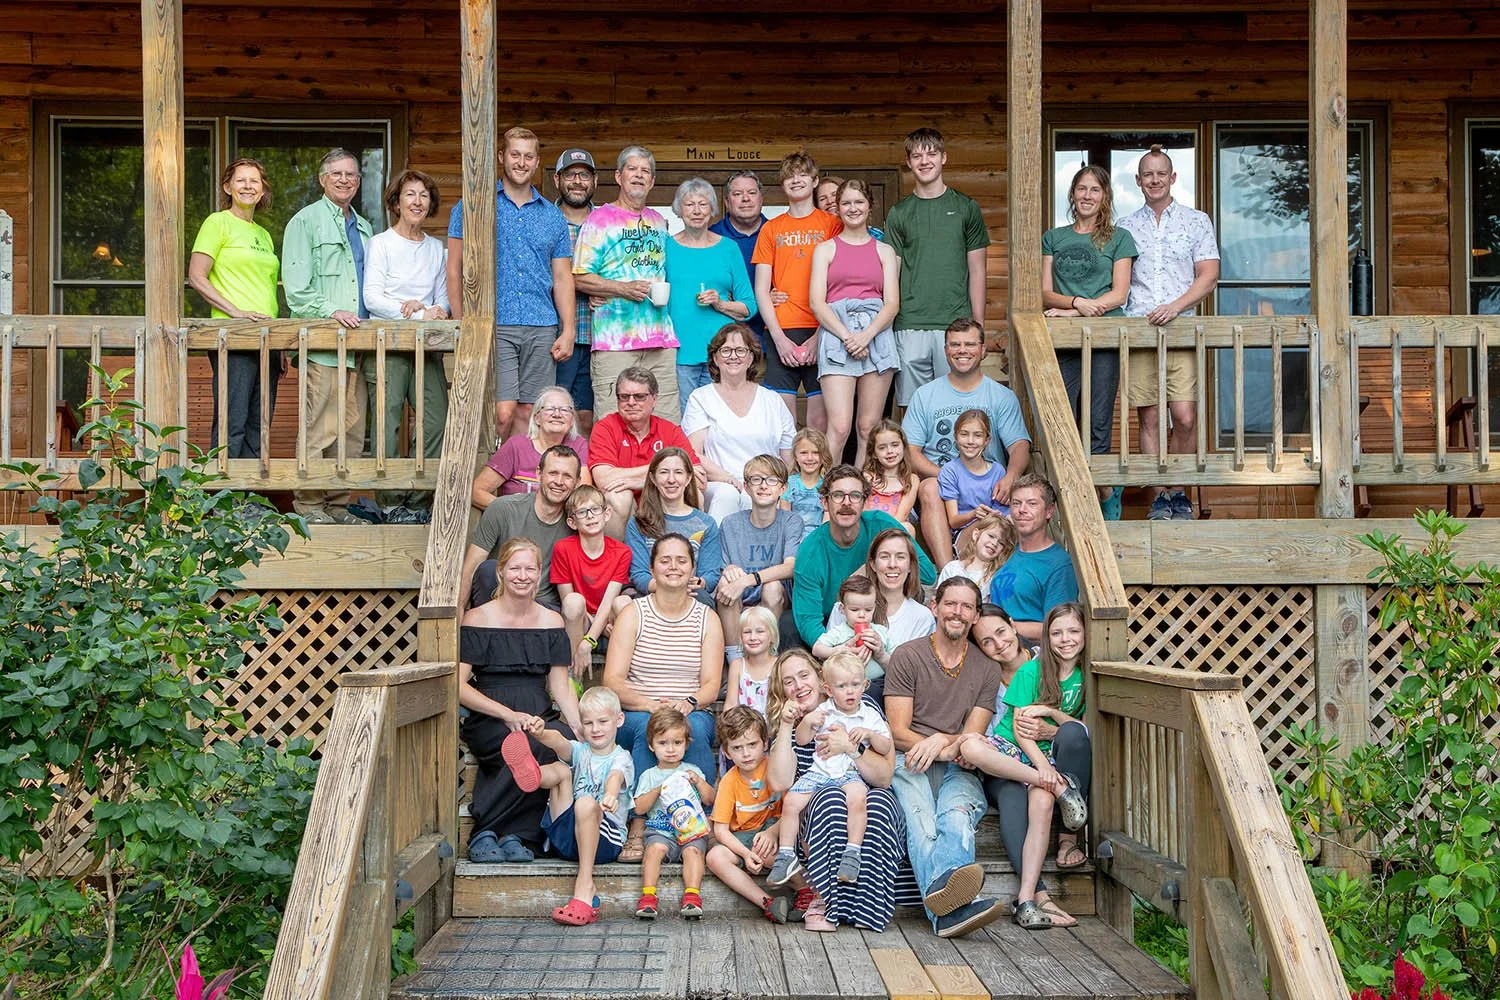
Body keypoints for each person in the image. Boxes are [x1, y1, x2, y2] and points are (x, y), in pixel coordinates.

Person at [883, 577, 1005, 938]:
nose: (958, 612)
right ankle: (953, 912)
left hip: (958, 764)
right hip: (910, 762)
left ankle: (947, 915)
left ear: (975, 615)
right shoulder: (908, 656)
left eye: (967, 606)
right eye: (951, 604)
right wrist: (937, 742)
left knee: (956, 818)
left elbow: (973, 734)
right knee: (922, 822)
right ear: (935, 607)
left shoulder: (987, 668)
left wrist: (942, 742)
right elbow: (897, 730)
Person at [958, 602, 1091, 929]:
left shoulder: (1055, 668)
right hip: (1013, 761)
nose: (998, 644)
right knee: (971, 746)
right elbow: (1016, 726)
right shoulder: (995, 674)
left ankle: (1028, 897)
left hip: (1042, 758)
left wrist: (1052, 729)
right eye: (986, 641)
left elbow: (1081, 728)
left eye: (1001, 632)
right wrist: (1045, 772)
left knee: (1041, 801)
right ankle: (1059, 786)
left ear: (1014, 626)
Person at [458, 537, 582, 863]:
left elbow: (559, 684)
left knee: (556, 742)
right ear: (500, 572)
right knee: (519, 743)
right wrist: (506, 713)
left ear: (540, 573)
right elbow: (457, 686)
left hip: (538, 710)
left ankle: (519, 836)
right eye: (515, 568)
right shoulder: (477, 618)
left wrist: (578, 725)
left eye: (530, 568)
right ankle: (485, 830)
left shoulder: (552, 621)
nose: (522, 575)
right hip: (490, 713)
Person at [603, 532, 726, 862]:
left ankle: (701, 821)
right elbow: (612, 680)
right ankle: (640, 824)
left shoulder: (707, 618)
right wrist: (651, 704)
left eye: (681, 560)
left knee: (695, 730)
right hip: (638, 709)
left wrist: (687, 703)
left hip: (689, 707)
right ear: (653, 569)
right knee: (652, 728)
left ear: (692, 569)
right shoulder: (634, 613)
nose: (673, 567)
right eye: (665, 560)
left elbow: (712, 685)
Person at [446, 127, 575, 440]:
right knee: (501, 413)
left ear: (536, 162)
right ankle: (493, 476)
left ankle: (515, 487)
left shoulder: (552, 216)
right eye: (515, 154)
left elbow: (561, 276)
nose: (521, 162)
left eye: (528, 156)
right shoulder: (472, 207)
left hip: (541, 324)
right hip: (495, 324)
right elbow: (454, 267)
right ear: (502, 157)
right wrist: (462, 323)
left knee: (530, 414)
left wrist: (568, 329)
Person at [1118, 145, 1221, 521]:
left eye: (1161, 173)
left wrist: (1176, 306)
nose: (1155, 180)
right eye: (1148, 174)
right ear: (1139, 181)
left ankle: (1179, 489)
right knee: (1149, 419)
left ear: (1173, 178)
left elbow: (1208, 274)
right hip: (1140, 330)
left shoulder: (1197, 221)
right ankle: (1160, 497)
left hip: (1181, 331)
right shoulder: (1125, 227)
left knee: (1185, 416)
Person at [767, 650, 903, 931]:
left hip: (860, 782)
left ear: (820, 678)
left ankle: (868, 906)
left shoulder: (861, 706)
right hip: (816, 801)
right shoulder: (798, 722)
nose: (798, 685)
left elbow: (885, 776)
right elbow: (780, 784)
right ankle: (826, 899)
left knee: (878, 803)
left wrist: (851, 748)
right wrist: (786, 725)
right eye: (788, 681)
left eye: (803, 675)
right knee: (829, 799)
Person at [281, 148, 372, 525]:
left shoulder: (365, 228)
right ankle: (310, 507)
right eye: (336, 174)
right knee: (319, 431)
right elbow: (297, 290)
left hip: (359, 348)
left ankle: (337, 505)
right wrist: (330, 311)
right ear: (322, 179)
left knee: (351, 433)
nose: (344, 180)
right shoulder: (305, 222)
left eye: (351, 174)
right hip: (323, 346)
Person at [1043, 163, 1138, 519]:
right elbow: (1044, 292)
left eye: (1094, 190)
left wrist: (1076, 312)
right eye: (1081, 189)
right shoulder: (1054, 237)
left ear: (1104, 197)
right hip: (1064, 340)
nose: (1087, 196)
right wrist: (1073, 303)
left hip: (1103, 336)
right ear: (1072, 194)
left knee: (1098, 418)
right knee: (1063, 415)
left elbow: (1119, 294)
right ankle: (1070, 495)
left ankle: (1104, 493)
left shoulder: (1118, 238)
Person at [361, 167, 451, 517]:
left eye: (424, 195)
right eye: (410, 194)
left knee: (435, 420)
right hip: (387, 344)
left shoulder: (436, 248)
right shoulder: (380, 243)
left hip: (426, 348)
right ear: (396, 202)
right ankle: (390, 502)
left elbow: (442, 302)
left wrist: (429, 310)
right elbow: (372, 299)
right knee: (387, 421)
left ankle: (418, 500)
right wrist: (412, 312)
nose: (417, 201)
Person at [904, 319, 1031, 566]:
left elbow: (1019, 445)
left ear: (983, 350)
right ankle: (947, 572)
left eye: (970, 344)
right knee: (929, 486)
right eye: (955, 344)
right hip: (940, 490)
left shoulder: (1001, 397)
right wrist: (949, 475)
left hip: (989, 490)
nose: (962, 350)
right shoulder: (925, 395)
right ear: (946, 350)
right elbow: (910, 451)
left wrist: (1011, 476)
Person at [504, 685, 632, 926]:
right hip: (568, 838)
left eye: (602, 721)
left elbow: (615, 776)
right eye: (589, 723)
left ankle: (585, 885)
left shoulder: (621, 757)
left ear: (619, 720)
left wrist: (611, 794)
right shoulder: (581, 751)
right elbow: (560, 742)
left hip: (606, 841)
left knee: (584, 803)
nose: (595, 729)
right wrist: (540, 734)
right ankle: (532, 775)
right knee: (563, 770)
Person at [882, 128, 991, 407]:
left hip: (955, 324)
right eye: (917, 155)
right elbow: (890, 274)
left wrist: (978, 326)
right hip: (909, 324)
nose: (924, 161)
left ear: (944, 157)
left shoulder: (966, 208)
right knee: (913, 407)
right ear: (909, 162)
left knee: (959, 407)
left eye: (931, 154)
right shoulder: (899, 213)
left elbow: (977, 269)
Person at [573, 146, 678, 420]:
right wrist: (620, 289)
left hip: (660, 340)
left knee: (665, 420)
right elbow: (579, 276)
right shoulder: (599, 220)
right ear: (619, 176)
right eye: (632, 169)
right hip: (614, 341)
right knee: (612, 422)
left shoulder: (660, 223)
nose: (639, 176)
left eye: (645, 171)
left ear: (652, 181)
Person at [187, 157, 281, 460]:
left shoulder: (263, 235)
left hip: (267, 339)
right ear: (228, 186)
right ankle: (225, 500)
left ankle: (249, 500)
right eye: (241, 180)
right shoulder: (217, 222)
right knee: (233, 420)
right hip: (234, 338)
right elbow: (196, 276)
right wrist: (235, 311)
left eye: (255, 181)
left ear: (263, 189)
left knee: (259, 423)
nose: (248, 186)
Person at [791, 465, 937, 649]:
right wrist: (836, 650)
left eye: (855, 496)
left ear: (865, 501)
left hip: (885, 615)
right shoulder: (811, 550)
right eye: (837, 495)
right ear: (824, 502)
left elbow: (927, 573)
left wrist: (870, 567)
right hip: (836, 624)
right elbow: (808, 620)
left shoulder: (881, 524)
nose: (846, 503)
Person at [810, 179, 900, 467]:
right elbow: (817, 302)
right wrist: (848, 336)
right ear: (838, 208)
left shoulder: (884, 250)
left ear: (869, 206)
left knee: (868, 427)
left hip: (877, 335)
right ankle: (825, 493)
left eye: (859, 202)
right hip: (838, 335)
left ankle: (859, 491)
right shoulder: (825, 249)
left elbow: (892, 303)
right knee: (839, 427)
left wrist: (867, 335)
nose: (852, 208)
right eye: (846, 203)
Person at [752, 151, 841, 430]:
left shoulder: (832, 225)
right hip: (782, 329)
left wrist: (819, 336)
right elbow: (761, 289)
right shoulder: (771, 229)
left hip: (822, 329)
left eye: (802, 174)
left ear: (815, 181)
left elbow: (838, 286)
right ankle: (787, 475)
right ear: (782, 185)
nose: (796, 180)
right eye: (789, 176)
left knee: (819, 422)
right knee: (783, 422)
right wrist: (778, 339)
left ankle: (821, 475)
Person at [682, 324, 794, 522]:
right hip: (720, 482)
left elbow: (789, 456)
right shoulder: (701, 397)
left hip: (766, 481)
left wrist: (775, 486)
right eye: (725, 350)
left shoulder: (772, 399)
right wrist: (728, 479)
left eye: (741, 350)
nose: (733, 356)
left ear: (751, 358)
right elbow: (693, 453)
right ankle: (714, 551)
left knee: (763, 495)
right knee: (729, 495)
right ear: (715, 358)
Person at [665, 179, 756, 406]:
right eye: (689, 205)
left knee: (720, 421)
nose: (696, 211)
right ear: (679, 209)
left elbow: (749, 306)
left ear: (712, 209)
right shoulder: (666, 247)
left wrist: (721, 303)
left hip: (721, 355)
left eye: (703, 205)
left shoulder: (728, 248)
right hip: (677, 353)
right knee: (684, 423)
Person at [458, 444, 582, 612]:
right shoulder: (503, 509)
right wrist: (457, 623)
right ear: (539, 473)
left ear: (577, 482)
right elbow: (471, 569)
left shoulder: (578, 523)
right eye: (553, 473)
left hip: (544, 608)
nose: (559, 482)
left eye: (567, 476)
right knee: (487, 570)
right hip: (499, 601)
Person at [587, 368, 701, 538]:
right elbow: (605, 480)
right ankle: (620, 562)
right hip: (626, 508)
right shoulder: (605, 428)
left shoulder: (670, 430)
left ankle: (683, 559)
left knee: (696, 493)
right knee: (618, 495)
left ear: (654, 399)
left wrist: (642, 481)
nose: (631, 402)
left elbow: (697, 477)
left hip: (662, 502)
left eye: (639, 397)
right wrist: (661, 472)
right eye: (624, 397)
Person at [825, 529, 936, 697]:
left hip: (894, 696)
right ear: (873, 565)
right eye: (884, 556)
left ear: (910, 566)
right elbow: (826, 660)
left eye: (900, 557)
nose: (892, 564)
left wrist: (882, 655)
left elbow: (917, 677)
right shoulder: (843, 608)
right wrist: (843, 651)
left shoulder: (922, 617)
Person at [632, 706, 717, 919]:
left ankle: (692, 896)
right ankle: (648, 897)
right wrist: (658, 790)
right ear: (651, 746)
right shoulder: (649, 775)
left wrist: (698, 782)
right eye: (663, 743)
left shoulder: (692, 771)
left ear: (686, 743)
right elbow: (640, 808)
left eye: (677, 743)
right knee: (653, 851)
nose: (671, 749)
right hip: (660, 831)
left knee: (694, 852)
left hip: (690, 831)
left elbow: (710, 799)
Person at [706, 706, 789, 923]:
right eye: (737, 747)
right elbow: (721, 830)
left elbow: (793, 809)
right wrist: (744, 853)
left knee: (766, 850)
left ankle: (807, 891)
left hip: (778, 832)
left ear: (765, 742)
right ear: (726, 752)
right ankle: (768, 902)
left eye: (752, 744)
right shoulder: (729, 781)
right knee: (715, 857)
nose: (746, 753)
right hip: (744, 838)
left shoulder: (775, 768)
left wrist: (772, 832)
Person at [716, 454, 801, 665]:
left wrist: (748, 579)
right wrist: (730, 571)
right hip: (738, 597)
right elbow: (723, 567)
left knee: (771, 587)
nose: (764, 486)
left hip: (774, 597)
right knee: (727, 581)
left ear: (782, 489)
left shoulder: (791, 521)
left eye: (771, 480)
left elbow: (791, 567)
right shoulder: (730, 524)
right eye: (756, 479)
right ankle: (735, 661)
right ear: (746, 487)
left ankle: (766, 658)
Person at [550, 485, 632, 677]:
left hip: (607, 614)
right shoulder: (563, 548)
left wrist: (589, 641)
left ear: (607, 513)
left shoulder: (622, 552)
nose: (590, 516)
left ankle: (621, 676)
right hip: (581, 617)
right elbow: (567, 600)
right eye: (582, 512)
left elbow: (608, 602)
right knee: (573, 601)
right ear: (572, 522)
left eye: (595, 509)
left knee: (624, 603)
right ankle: (571, 675)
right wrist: (593, 632)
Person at [624, 448, 721, 606]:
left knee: (702, 599)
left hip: (691, 595)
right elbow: (639, 575)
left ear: (689, 478)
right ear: (653, 478)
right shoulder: (638, 523)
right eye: (663, 472)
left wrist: (699, 582)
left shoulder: (706, 524)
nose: (671, 479)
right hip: (652, 595)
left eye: (678, 472)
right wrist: (671, 587)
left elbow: (710, 575)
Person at [988, 474, 1078, 644]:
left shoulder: (1059, 564)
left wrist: (1000, 627)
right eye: (1016, 503)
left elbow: (1058, 626)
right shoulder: (1004, 550)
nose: (1022, 510)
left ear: (1049, 511)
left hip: (1029, 653)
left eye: (1032, 503)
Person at [471, 385, 590, 508]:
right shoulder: (516, 446)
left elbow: (583, 496)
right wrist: (510, 513)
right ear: (537, 418)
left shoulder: (578, 445)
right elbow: (477, 491)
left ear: (571, 421)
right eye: (550, 409)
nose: (557, 414)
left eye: (564, 410)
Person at [552, 148, 600, 433]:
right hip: (557, 336)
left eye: (584, 175)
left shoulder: (607, 221)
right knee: (553, 413)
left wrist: (606, 287)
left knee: (589, 418)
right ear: (558, 179)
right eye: (570, 174)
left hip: (600, 335)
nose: (578, 181)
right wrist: (586, 283)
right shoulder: (546, 219)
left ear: (594, 180)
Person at [939, 409, 1007, 532]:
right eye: (964, 434)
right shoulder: (950, 470)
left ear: (987, 440)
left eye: (978, 435)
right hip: (964, 532)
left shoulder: (998, 471)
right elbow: (953, 521)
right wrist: (974, 514)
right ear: (956, 437)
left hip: (995, 531)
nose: (970, 441)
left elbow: (1003, 513)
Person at [812, 575, 891, 676]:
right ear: (842, 609)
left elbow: (898, 662)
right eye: (854, 610)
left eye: (868, 609)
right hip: (848, 683)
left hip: (881, 682)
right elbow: (816, 649)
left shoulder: (881, 632)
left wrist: (881, 653)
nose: (862, 615)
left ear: (874, 607)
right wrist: (837, 650)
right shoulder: (839, 632)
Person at [938, 513, 1015, 596]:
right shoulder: (952, 568)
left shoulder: (996, 577)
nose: (994, 543)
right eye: (991, 536)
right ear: (976, 534)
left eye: (1001, 543)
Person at [862, 420, 919, 530]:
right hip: (870, 528)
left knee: (908, 527)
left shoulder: (911, 479)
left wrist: (885, 533)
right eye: (882, 447)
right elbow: (865, 512)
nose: (889, 451)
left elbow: (902, 515)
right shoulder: (867, 477)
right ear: (873, 453)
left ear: (903, 446)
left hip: (895, 530)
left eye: (895, 445)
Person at [726, 606, 779, 717]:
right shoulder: (738, 665)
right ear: (740, 637)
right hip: (745, 731)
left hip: (776, 730)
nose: (753, 637)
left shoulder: (779, 665)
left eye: (760, 631)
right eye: (747, 632)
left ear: (772, 636)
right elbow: (731, 704)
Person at [783, 427, 832, 542]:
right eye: (804, 453)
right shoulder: (789, 484)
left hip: (820, 538)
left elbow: (827, 520)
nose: (810, 458)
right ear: (795, 456)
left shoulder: (828, 485)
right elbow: (785, 517)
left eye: (815, 453)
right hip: (793, 538)